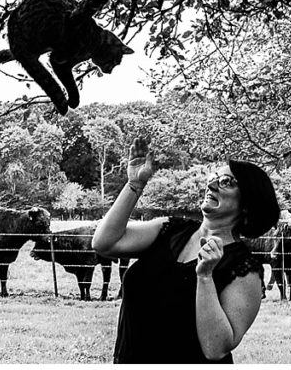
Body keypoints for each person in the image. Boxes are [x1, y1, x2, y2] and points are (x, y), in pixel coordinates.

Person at [92, 140, 280, 364]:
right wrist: (134, 185)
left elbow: (216, 349)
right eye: (212, 178)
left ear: (247, 204)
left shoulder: (245, 270)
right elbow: (104, 243)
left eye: (226, 182)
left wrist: (205, 276)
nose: (211, 185)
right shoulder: (170, 230)